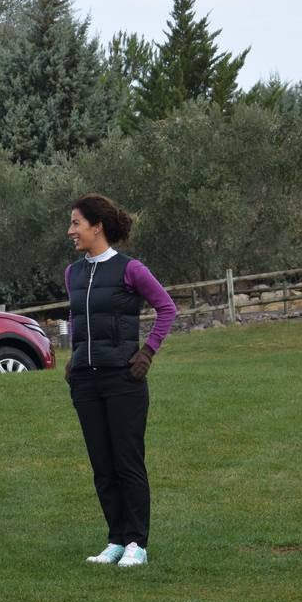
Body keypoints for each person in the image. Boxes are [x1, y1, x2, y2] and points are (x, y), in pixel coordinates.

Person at [65, 194, 178, 568]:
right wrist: (72, 362)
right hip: (85, 381)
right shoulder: (74, 273)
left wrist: (147, 352)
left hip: (123, 380)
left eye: (76, 223)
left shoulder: (131, 269)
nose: (71, 231)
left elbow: (166, 308)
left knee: (127, 461)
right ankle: (115, 538)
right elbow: (80, 323)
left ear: (97, 227)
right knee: (102, 464)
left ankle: (137, 543)